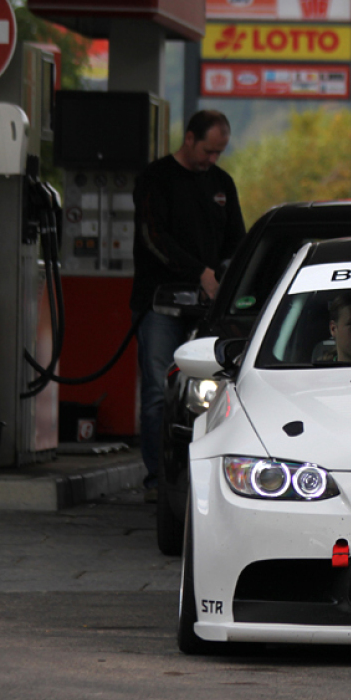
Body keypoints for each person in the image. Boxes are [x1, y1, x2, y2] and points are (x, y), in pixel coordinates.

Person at [131, 110, 245, 497]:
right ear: (190, 139)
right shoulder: (156, 178)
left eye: (219, 153)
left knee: (208, 393)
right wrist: (200, 271)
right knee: (157, 394)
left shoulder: (222, 184)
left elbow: (237, 241)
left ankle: (198, 479)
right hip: (160, 305)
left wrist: (226, 276)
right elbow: (154, 237)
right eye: (208, 151)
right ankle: (156, 481)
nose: (212, 160)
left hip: (206, 307)